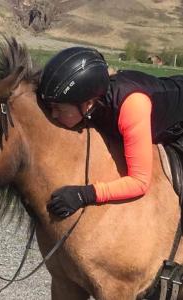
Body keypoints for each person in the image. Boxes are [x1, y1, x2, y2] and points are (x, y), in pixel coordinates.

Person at [37, 47, 183, 218]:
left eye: (58, 108)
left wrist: (84, 195)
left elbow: (140, 182)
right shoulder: (92, 100)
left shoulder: (132, 106)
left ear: (88, 104)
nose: (53, 114)